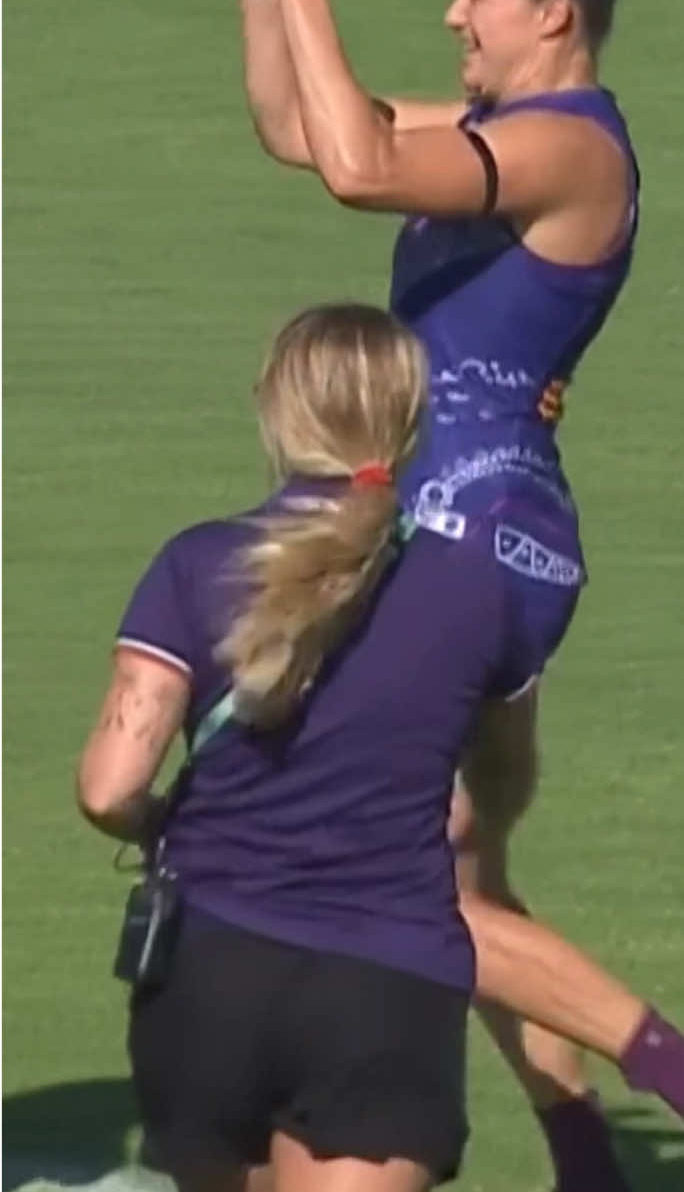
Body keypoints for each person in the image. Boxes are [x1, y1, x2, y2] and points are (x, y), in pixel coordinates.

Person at [236, 0, 684, 1191]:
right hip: (460, 537)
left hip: (472, 538)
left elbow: (356, 171)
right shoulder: (502, 126)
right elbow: (300, 127)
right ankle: (590, 1160)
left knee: (404, 880)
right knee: (458, 879)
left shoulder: (574, 150)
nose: (452, 12)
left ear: (552, 14)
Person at [78, 304, 528, 1192]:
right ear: (412, 422)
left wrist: (159, 820)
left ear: (275, 411)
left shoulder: (197, 564)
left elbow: (108, 786)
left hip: (207, 981)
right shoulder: (478, 585)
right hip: (384, 985)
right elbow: (501, 773)